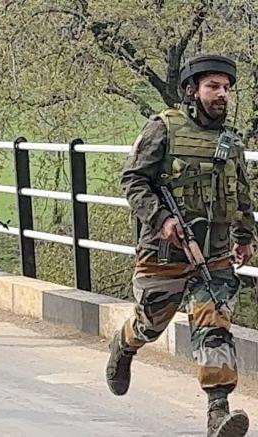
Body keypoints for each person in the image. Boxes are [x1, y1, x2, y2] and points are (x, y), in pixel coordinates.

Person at [108, 54, 254, 437]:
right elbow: (133, 181)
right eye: (213, 87)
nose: (222, 95)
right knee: (150, 323)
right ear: (192, 90)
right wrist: (162, 219)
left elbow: (240, 194)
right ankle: (124, 345)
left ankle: (218, 411)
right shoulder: (163, 129)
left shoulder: (230, 142)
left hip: (214, 254)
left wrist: (244, 237)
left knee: (214, 324)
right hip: (164, 252)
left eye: (226, 88)